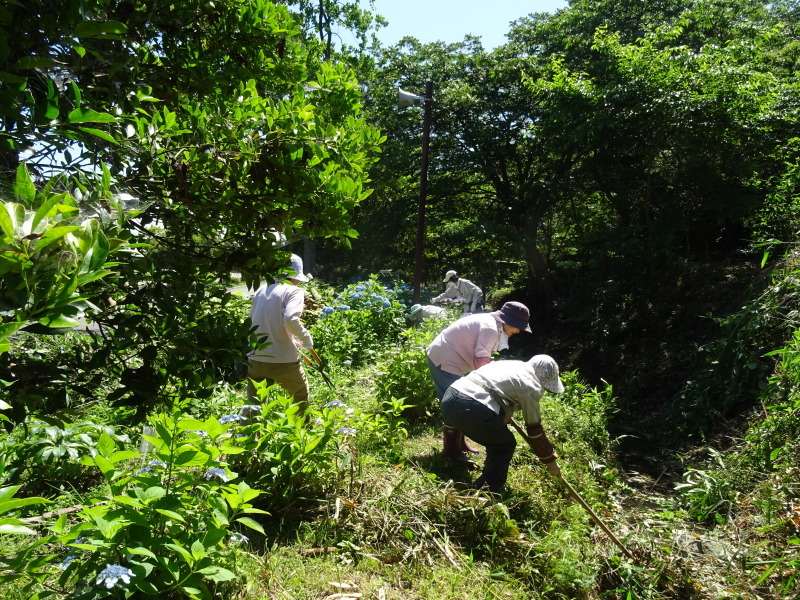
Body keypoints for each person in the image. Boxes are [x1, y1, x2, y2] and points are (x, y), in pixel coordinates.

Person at [441, 355, 565, 493]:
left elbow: (493, 390)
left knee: (492, 427)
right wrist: (550, 461)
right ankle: (486, 489)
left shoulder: (511, 365)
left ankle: (450, 452)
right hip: (470, 408)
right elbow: (535, 431)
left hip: (450, 396)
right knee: (504, 445)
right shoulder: (531, 386)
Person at [426, 301, 531, 462]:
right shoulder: (490, 328)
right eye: (518, 327)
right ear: (508, 321)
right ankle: (450, 449)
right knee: (453, 403)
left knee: (456, 401)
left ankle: (459, 443)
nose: (518, 331)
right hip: (444, 360)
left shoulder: (492, 324)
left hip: (451, 359)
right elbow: (481, 359)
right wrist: (491, 387)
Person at [245, 254, 313, 416]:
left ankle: (248, 437)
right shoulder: (294, 291)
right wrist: (305, 339)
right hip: (283, 361)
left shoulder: (262, 289)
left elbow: (252, 321)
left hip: (255, 358)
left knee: (254, 405)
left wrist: (293, 339)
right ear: (295, 276)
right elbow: (290, 319)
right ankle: (302, 435)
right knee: (300, 397)